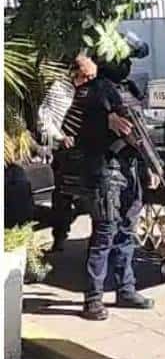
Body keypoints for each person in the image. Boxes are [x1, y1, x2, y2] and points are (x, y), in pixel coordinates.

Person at [74, 33, 159, 320]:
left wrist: (150, 167)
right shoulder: (94, 91)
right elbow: (79, 130)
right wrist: (105, 121)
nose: (126, 64)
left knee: (126, 232)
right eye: (121, 58)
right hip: (106, 167)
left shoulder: (130, 89)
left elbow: (141, 133)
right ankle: (93, 298)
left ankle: (126, 289)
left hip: (131, 167)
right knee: (104, 233)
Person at [38, 53, 98, 252]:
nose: (88, 80)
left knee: (93, 199)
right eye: (85, 76)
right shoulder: (59, 89)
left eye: (91, 77)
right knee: (62, 197)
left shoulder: (95, 90)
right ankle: (59, 237)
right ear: (75, 73)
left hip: (89, 151)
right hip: (64, 152)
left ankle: (96, 243)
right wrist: (60, 137)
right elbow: (44, 119)